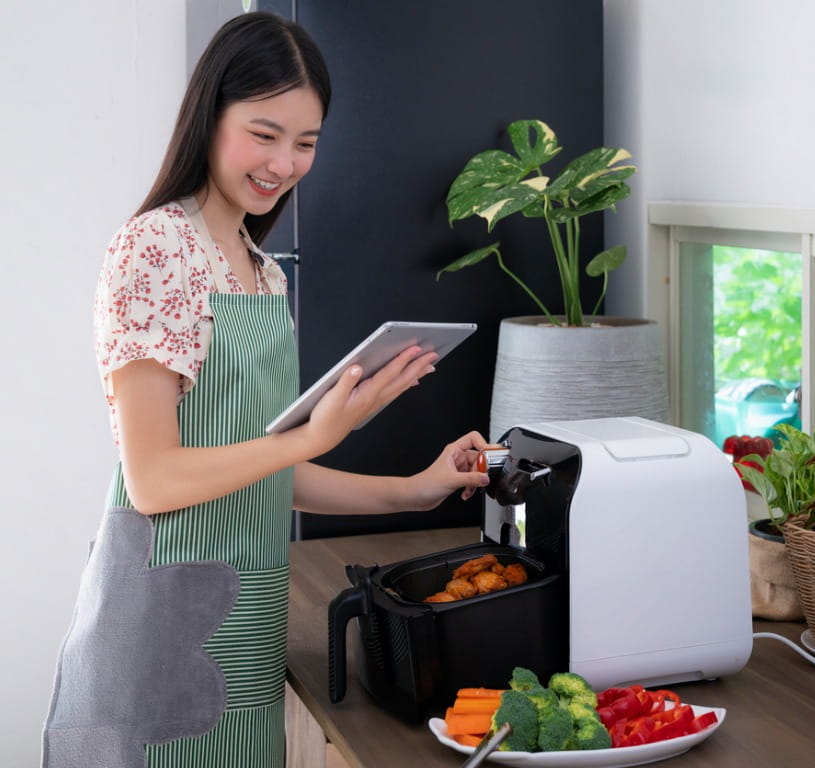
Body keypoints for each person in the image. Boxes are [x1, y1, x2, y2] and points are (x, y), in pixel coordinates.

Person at [42, 12, 491, 768]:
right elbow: (154, 480)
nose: (284, 162)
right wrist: (316, 432)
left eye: (307, 142)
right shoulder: (155, 249)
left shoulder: (261, 268)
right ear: (210, 115)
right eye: (265, 132)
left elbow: (262, 478)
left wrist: (415, 490)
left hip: (244, 638)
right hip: (159, 644)